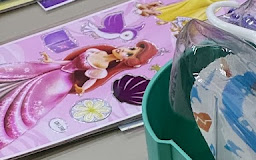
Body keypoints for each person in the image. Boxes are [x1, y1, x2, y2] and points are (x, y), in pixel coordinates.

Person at [0, 42, 157, 149]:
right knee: (20, 78)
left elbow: (91, 79)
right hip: (56, 71)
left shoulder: (103, 68)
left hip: (61, 83)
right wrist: (52, 61)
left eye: (129, 54)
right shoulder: (98, 51)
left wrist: (81, 88)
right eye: (130, 48)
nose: (124, 50)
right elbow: (69, 63)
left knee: (31, 101)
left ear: (126, 61)